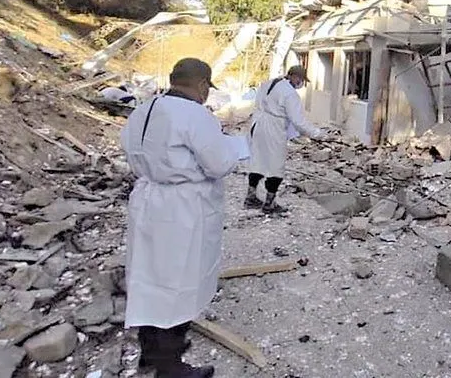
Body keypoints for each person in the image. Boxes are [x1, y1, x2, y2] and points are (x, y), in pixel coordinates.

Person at [120, 58, 240, 378]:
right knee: (178, 283)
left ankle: (151, 353)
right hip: (182, 207)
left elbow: (130, 150)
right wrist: (232, 149)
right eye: (207, 89)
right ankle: (170, 368)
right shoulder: (195, 115)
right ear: (202, 85)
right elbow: (217, 164)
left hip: (147, 199)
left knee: (149, 278)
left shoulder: (144, 109)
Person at [244, 65, 323, 214]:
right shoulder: (289, 93)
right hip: (274, 128)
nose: (300, 83)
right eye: (300, 79)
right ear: (295, 77)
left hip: (259, 123)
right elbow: (298, 121)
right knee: (276, 165)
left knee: (258, 161)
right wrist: (317, 134)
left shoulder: (269, 83)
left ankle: (251, 196)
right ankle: (269, 203)